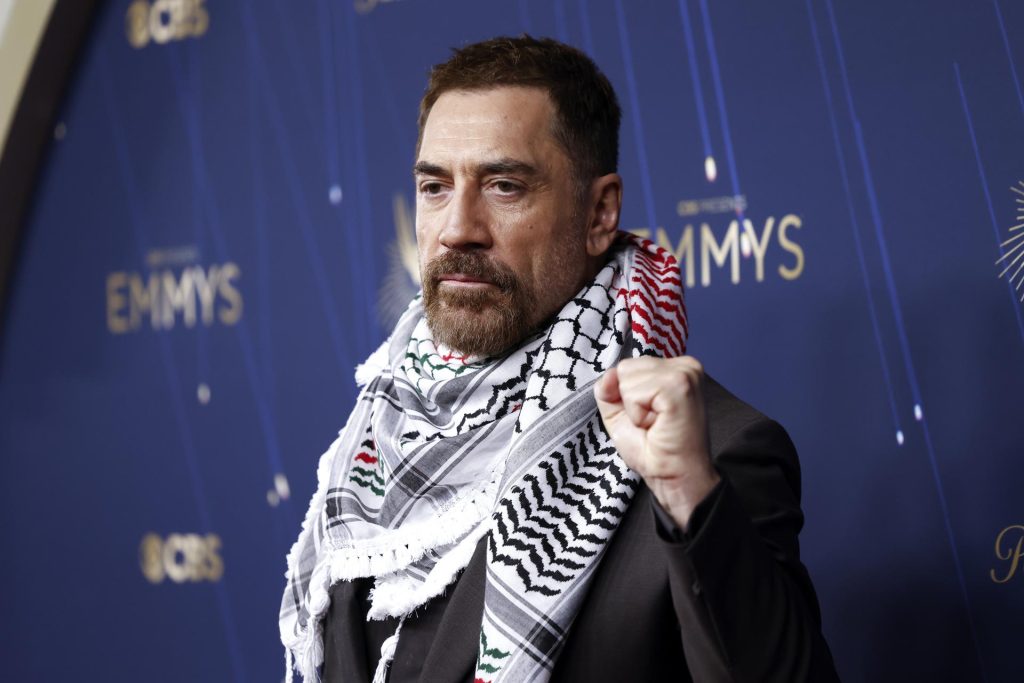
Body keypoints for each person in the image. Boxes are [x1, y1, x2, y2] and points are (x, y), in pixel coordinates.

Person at [280, 35, 839, 682]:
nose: (458, 226)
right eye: (434, 186)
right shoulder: (376, 436)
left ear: (600, 213)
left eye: (505, 185)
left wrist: (688, 493)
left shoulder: (712, 450)